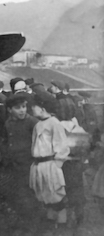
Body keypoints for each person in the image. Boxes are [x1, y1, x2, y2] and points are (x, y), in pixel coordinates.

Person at [29, 91, 71, 226]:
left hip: (50, 164)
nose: (31, 109)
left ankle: (62, 221)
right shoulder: (38, 124)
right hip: (39, 164)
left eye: (34, 106)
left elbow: (62, 145)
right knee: (44, 192)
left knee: (55, 193)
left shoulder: (54, 123)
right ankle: (51, 220)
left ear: (43, 108)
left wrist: (57, 164)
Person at [0, 95, 39, 217]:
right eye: (18, 108)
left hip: (28, 164)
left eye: (24, 106)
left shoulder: (33, 122)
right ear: (9, 110)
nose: (22, 110)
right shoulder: (8, 123)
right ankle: (22, 220)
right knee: (17, 194)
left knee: (28, 194)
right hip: (14, 165)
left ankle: (33, 223)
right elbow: (7, 141)